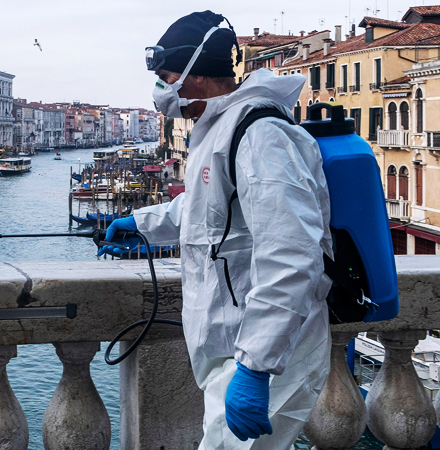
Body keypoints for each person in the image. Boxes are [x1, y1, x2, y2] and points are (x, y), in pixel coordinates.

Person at [101, 11, 332, 449]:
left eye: (166, 78)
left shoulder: (261, 134)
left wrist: (256, 366)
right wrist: (144, 224)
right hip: (235, 348)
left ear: (196, 76)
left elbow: (293, 252)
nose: (160, 91)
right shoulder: (221, 129)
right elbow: (210, 210)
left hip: (265, 353)